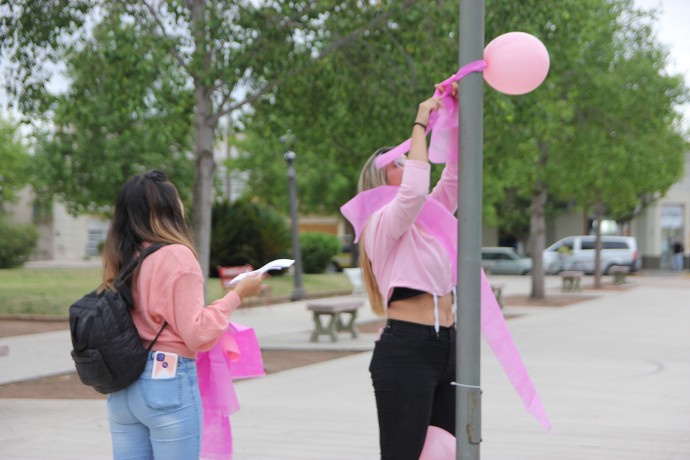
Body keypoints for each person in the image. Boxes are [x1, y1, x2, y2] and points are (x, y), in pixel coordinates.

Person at [101, 169, 264, 459]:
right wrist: (236, 296)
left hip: (124, 387)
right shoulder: (177, 256)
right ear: (168, 209)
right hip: (166, 381)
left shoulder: (122, 256)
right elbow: (197, 334)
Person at [355, 87, 458, 459]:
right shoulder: (379, 223)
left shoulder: (429, 219)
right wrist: (420, 122)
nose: (408, 162)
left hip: (447, 345)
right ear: (379, 183)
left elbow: (454, 179)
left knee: (446, 452)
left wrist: (452, 119)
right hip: (407, 350)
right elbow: (414, 190)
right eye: (397, 162)